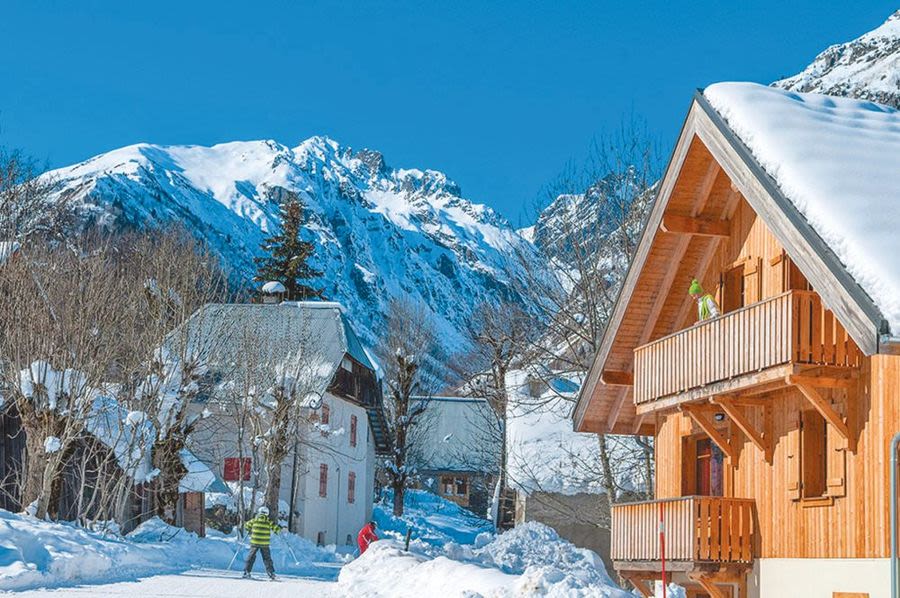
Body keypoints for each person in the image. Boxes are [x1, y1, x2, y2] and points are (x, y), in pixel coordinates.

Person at [243, 506, 282, 579]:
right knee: (267, 558)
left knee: (251, 557)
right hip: (264, 543)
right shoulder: (268, 521)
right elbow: (276, 529)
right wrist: (279, 529)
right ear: (267, 514)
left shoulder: (254, 520)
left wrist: (249, 529)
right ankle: (271, 573)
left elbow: (246, 526)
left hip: (254, 542)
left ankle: (246, 572)